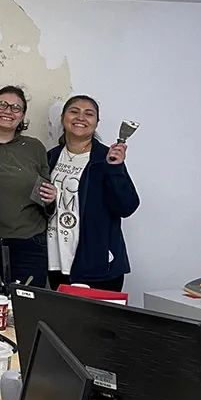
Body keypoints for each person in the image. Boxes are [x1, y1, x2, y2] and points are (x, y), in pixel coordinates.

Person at [46, 95, 139, 292]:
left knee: (98, 322)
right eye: (74, 111)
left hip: (97, 263)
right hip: (57, 260)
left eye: (89, 114)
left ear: (96, 123)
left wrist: (115, 169)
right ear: (63, 118)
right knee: (63, 322)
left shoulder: (107, 158)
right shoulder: (51, 157)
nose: (81, 117)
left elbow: (127, 206)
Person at [0, 86, 56, 292]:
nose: (8, 110)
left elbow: (44, 197)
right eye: (2, 104)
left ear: (22, 116)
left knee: (26, 311)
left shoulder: (35, 147)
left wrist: (51, 198)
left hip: (28, 244)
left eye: (16, 107)